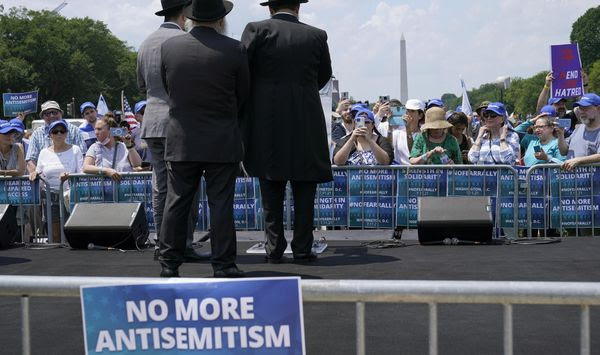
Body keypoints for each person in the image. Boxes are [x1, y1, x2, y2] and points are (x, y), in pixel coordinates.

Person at [159, 0, 249, 278]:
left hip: (182, 138)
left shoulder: (170, 48)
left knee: (176, 202)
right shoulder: (235, 49)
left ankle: (169, 263)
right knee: (221, 204)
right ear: (221, 20)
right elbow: (243, 95)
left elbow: (167, 88)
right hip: (221, 138)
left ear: (189, 18)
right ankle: (224, 265)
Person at [241, 0, 332, 264]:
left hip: (267, 121)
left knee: (271, 189)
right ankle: (303, 247)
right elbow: (323, 75)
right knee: (305, 189)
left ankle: (274, 246)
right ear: (298, 7)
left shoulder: (255, 30)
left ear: (269, 7)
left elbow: (242, 70)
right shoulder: (316, 35)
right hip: (306, 118)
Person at [137, 0, 209, 263]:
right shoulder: (185, 41)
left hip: (152, 123)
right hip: (179, 124)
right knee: (186, 188)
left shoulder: (146, 42)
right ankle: (183, 244)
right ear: (184, 15)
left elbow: (142, 83)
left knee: (160, 188)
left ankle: (162, 244)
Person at [29, 120, 83, 242]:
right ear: (50, 135)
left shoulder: (75, 150)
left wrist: (69, 175)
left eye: (62, 131)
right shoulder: (43, 152)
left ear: (66, 133)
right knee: (55, 235)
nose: (59, 134)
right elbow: (39, 171)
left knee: (73, 232)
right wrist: (34, 174)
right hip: (51, 197)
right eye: (55, 131)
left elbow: (81, 172)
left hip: (70, 196)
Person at [26, 101, 86, 174]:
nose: (52, 116)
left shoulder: (75, 130)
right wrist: (36, 177)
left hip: (71, 181)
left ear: (61, 113)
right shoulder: (36, 134)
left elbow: (83, 157)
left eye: (54, 112)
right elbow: (31, 160)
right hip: (45, 182)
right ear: (43, 117)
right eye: (47, 114)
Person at [558, 93, 600, 170]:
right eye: (580, 108)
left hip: (592, 181)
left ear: (598, 109)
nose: (581, 112)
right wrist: (560, 135)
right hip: (572, 180)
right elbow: (563, 151)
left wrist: (579, 160)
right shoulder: (578, 128)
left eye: (586, 108)